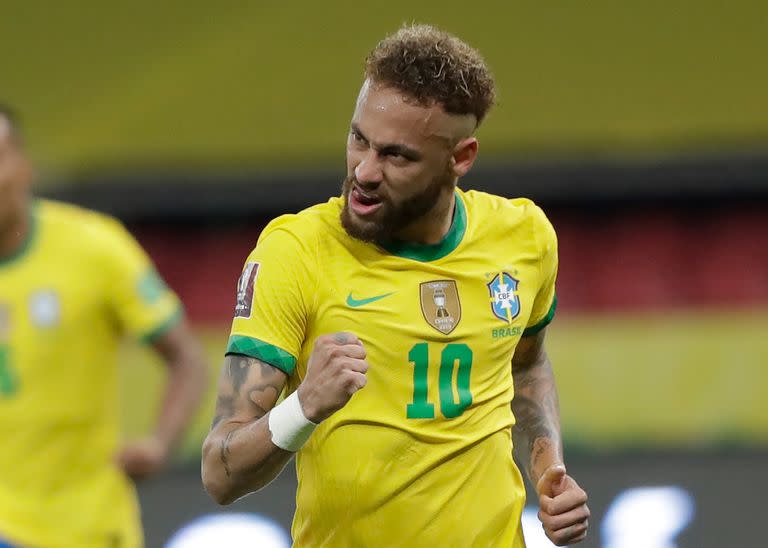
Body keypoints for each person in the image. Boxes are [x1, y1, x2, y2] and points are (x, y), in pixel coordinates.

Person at [202, 24, 589, 547]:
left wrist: (549, 469)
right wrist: (305, 405)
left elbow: (526, 364)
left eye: (396, 155)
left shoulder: (524, 238)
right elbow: (219, 472)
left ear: (461, 158)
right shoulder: (295, 253)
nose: (363, 171)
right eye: (358, 139)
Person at [0, 106, 209, 547]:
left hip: (85, 526)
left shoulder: (94, 248)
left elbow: (187, 358)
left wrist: (159, 443)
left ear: (24, 164)